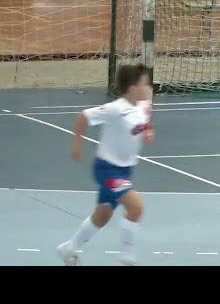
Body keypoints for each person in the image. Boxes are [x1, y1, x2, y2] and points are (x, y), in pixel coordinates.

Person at [56, 64, 154, 266]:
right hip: (107, 168)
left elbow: (144, 119)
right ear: (132, 87)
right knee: (136, 208)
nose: (147, 87)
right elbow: (83, 116)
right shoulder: (115, 109)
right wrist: (77, 145)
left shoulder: (142, 105)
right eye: (144, 83)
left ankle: (69, 249)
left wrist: (148, 130)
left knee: (102, 216)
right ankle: (127, 257)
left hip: (125, 169)